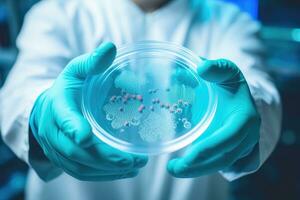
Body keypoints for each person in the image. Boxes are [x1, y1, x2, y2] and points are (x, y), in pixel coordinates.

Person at [0, 0, 281, 199]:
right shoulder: (58, 13)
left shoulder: (229, 20)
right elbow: (23, 87)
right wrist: (40, 112)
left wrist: (252, 108)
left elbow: (256, 84)